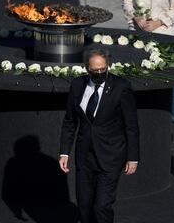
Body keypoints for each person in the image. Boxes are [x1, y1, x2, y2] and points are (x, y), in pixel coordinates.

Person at [58, 49, 140, 223]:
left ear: (107, 67)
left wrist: (133, 158)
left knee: (102, 207)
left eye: (103, 69)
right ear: (87, 68)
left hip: (111, 155)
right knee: (84, 206)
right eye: (95, 71)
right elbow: (70, 121)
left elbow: (131, 125)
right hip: (85, 156)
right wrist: (64, 152)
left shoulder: (121, 87)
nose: (99, 73)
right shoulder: (78, 85)